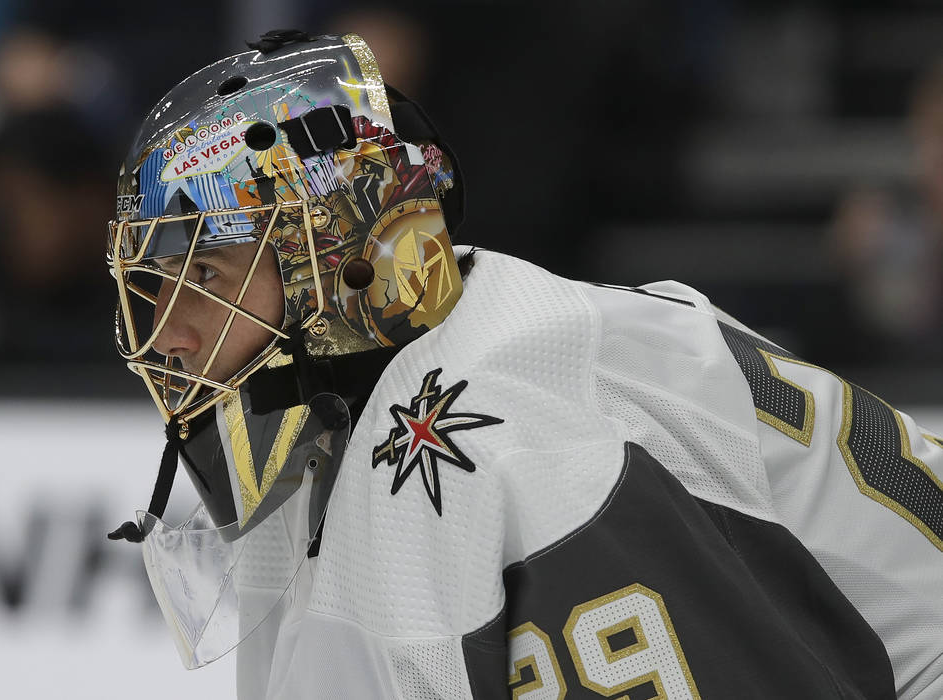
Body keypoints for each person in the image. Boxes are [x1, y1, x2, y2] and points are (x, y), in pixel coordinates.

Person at [105, 30, 942, 699]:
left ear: (338, 255)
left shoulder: (518, 430)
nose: (170, 334)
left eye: (203, 276)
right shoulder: (380, 405)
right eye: (156, 288)